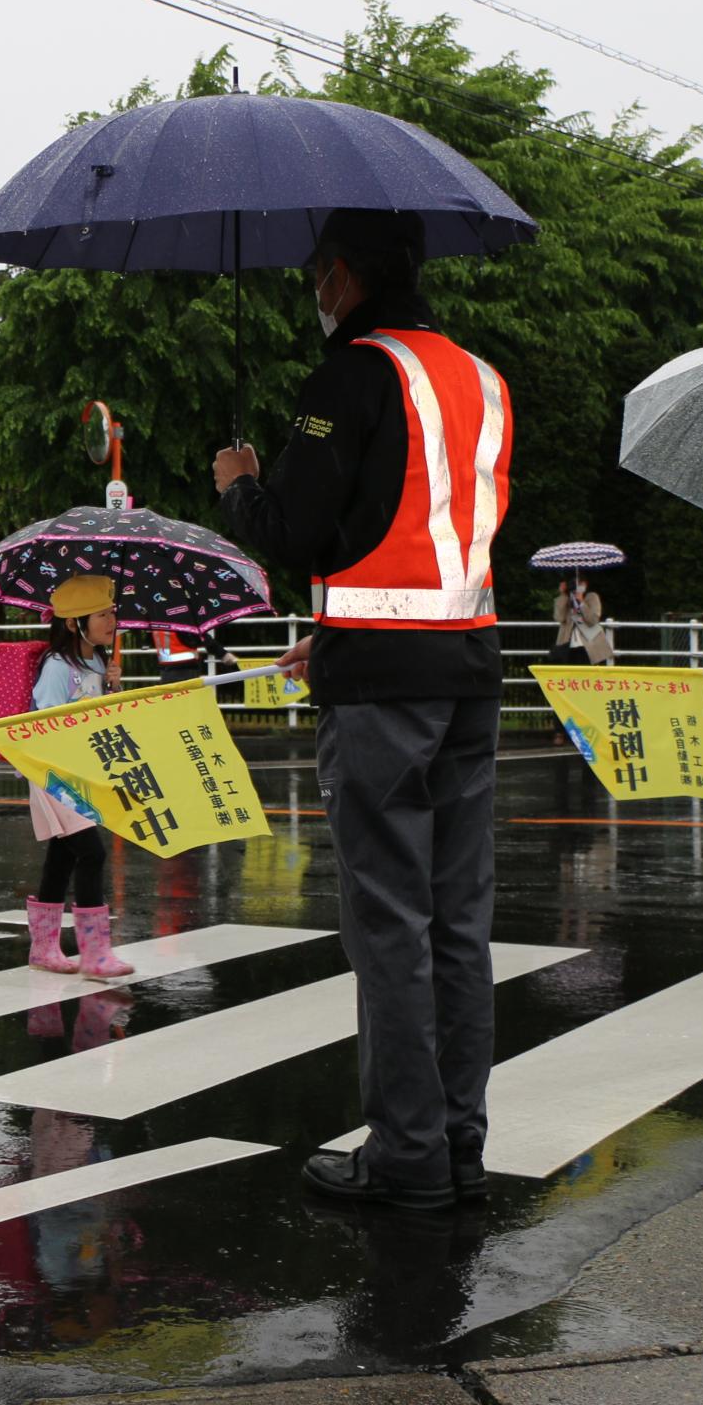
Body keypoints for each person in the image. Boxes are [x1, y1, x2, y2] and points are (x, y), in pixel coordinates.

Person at [212, 208, 512, 1213]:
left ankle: (405, 1154)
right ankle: (460, 1144)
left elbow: (301, 531)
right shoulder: (479, 378)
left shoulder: (349, 374)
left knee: (387, 924)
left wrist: (241, 485)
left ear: (340, 276)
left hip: (382, 691)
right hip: (467, 662)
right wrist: (337, 633)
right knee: (456, 921)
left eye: (314, 272)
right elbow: (423, 540)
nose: (312, 288)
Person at [22, 575, 136, 980]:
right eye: (103, 615)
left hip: (83, 773)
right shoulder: (57, 667)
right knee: (91, 853)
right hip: (54, 774)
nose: (112, 622)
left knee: (63, 855)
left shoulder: (97, 662)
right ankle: (95, 954)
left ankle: (44, 949)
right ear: (73, 623)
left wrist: (112, 688)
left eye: (113, 613)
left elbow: (102, 720)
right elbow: (44, 722)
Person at [550, 573, 613, 667]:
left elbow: (593, 620)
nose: (575, 587)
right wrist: (563, 595)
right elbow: (559, 617)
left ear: (585, 584)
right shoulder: (566, 599)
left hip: (588, 646)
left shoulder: (591, 597)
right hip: (567, 645)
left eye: (578, 583)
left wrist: (581, 602)